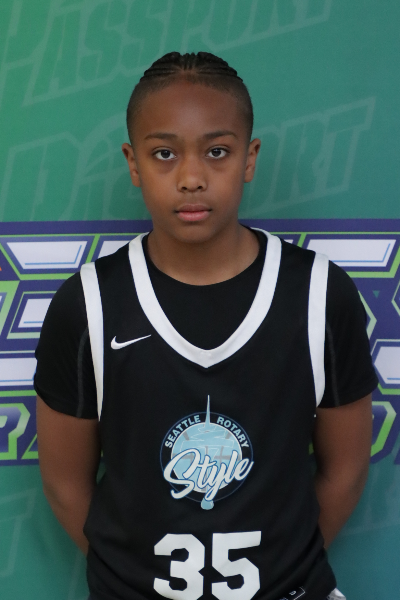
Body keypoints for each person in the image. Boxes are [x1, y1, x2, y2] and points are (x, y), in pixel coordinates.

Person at [35, 52, 378, 600]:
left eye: (217, 151)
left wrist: (283, 573)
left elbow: (346, 470)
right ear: (133, 163)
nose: (192, 178)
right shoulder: (89, 304)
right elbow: (64, 483)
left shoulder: (318, 294)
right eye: (164, 154)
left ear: (249, 158)